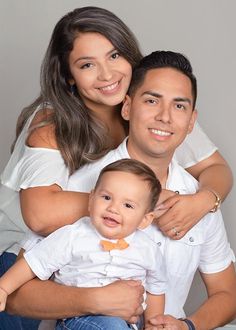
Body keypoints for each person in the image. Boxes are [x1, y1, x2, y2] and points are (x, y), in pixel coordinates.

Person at [1, 6, 233, 327]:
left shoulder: (166, 122)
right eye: (87, 65)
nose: (107, 75)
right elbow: (39, 217)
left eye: (113, 56)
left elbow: (217, 169)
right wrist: (132, 202)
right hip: (17, 252)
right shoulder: (53, 127)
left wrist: (205, 201)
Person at [63, 51, 236, 329]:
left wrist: (187, 326)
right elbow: (23, 288)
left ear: (191, 121)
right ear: (127, 107)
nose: (165, 117)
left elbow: (227, 293)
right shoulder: (84, 185)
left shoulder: (197, 199)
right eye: (152, 100)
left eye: (179, 107)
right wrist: (93, 300)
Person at [0, 159, 166, 330]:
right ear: (91, 199)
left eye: (128, 205)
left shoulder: (148, 249)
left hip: (129, 322)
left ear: (145, 219)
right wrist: (4, 288)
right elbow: (33, 263)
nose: (113, 208)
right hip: (77, 318)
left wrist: (153, 322)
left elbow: (156, 287)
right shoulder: (73, 235)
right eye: (106, 197)